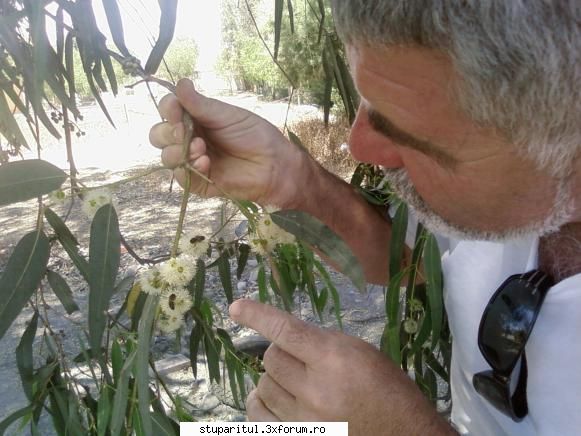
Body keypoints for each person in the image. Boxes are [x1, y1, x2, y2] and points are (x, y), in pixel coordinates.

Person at [148, 1, 581, 434]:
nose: (359, 148)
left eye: (412, 135)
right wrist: (293, 181)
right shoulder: (508, 186)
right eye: (370, 105)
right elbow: (410, 260)